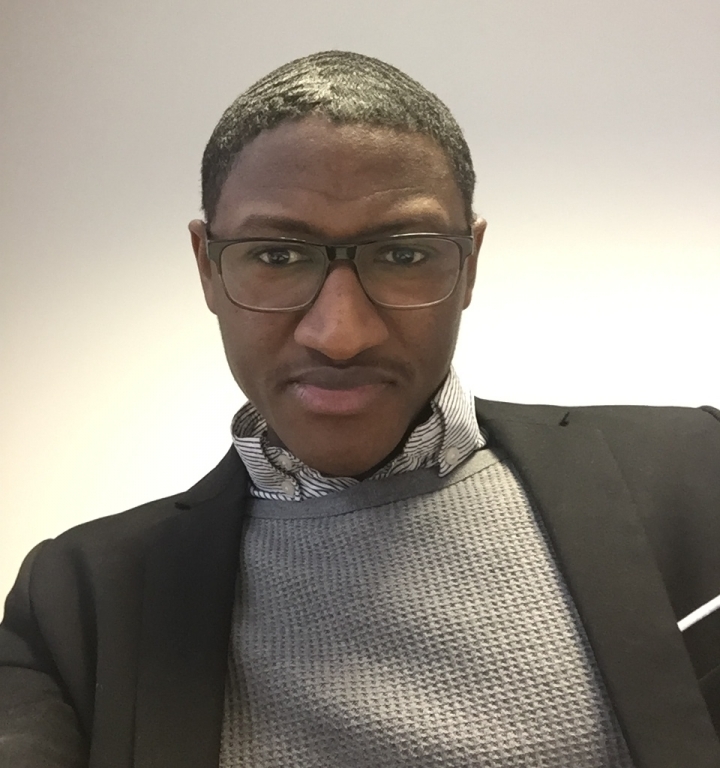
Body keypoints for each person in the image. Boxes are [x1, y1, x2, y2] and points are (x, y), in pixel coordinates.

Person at [1, 50, 719, 768]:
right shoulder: (77, 599)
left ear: (469, 263)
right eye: (277, 256)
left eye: (403, 256)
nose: (340, 335)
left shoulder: (697, 470)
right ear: (207, 267)